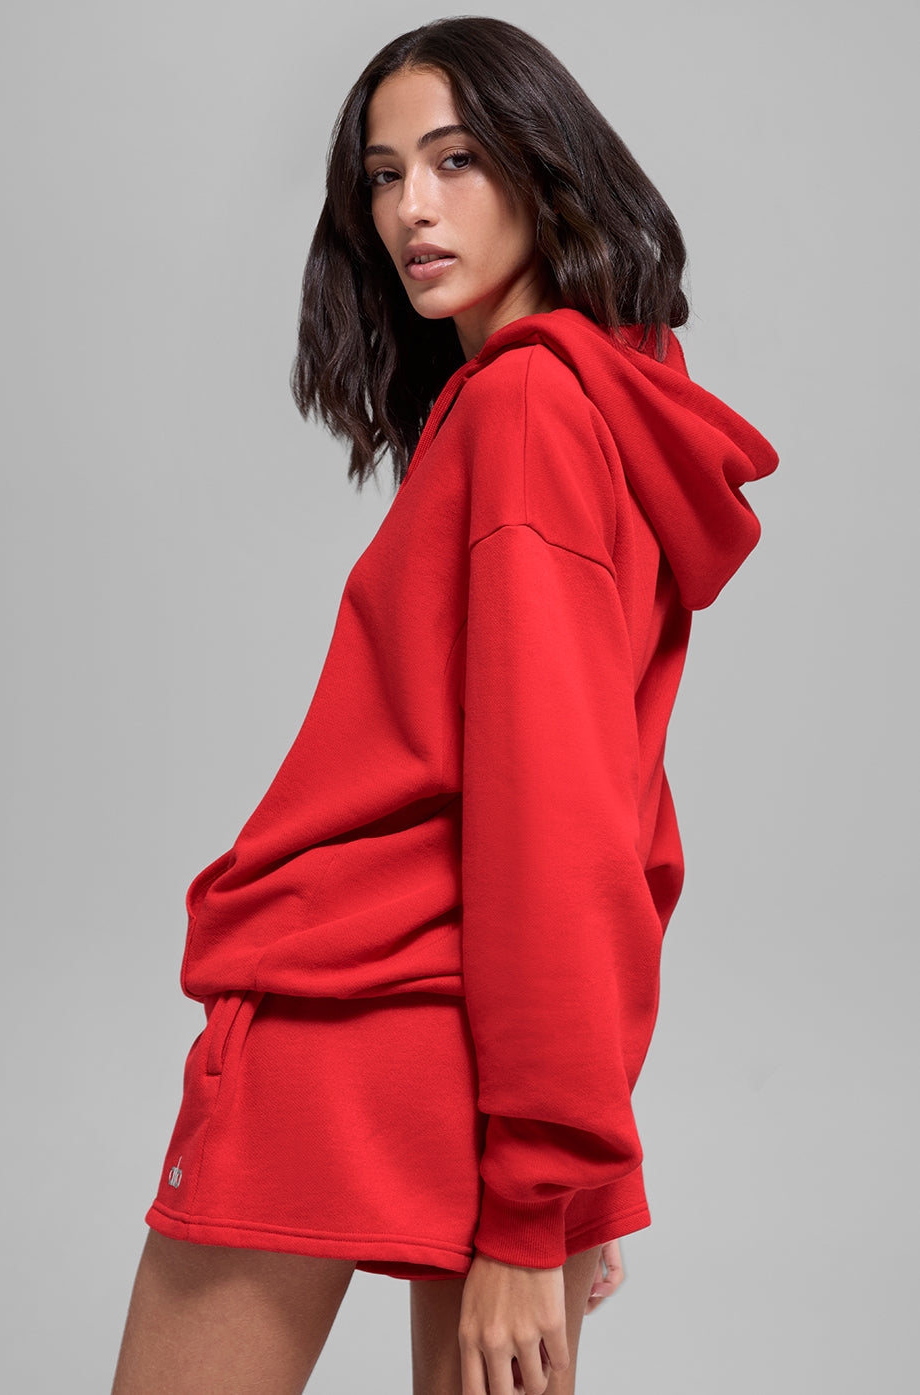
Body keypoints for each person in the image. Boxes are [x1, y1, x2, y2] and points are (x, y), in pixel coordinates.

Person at [111, 16, 778, 1395]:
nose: (411, 206)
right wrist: (569, 1139)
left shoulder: (526, 412)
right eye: (382, 174)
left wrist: (543, 1181)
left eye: (456, 158)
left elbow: (556, 810)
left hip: (353, 1014)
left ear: (547, 165)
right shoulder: (600, 408)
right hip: (508, 1053)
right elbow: (610, 809)